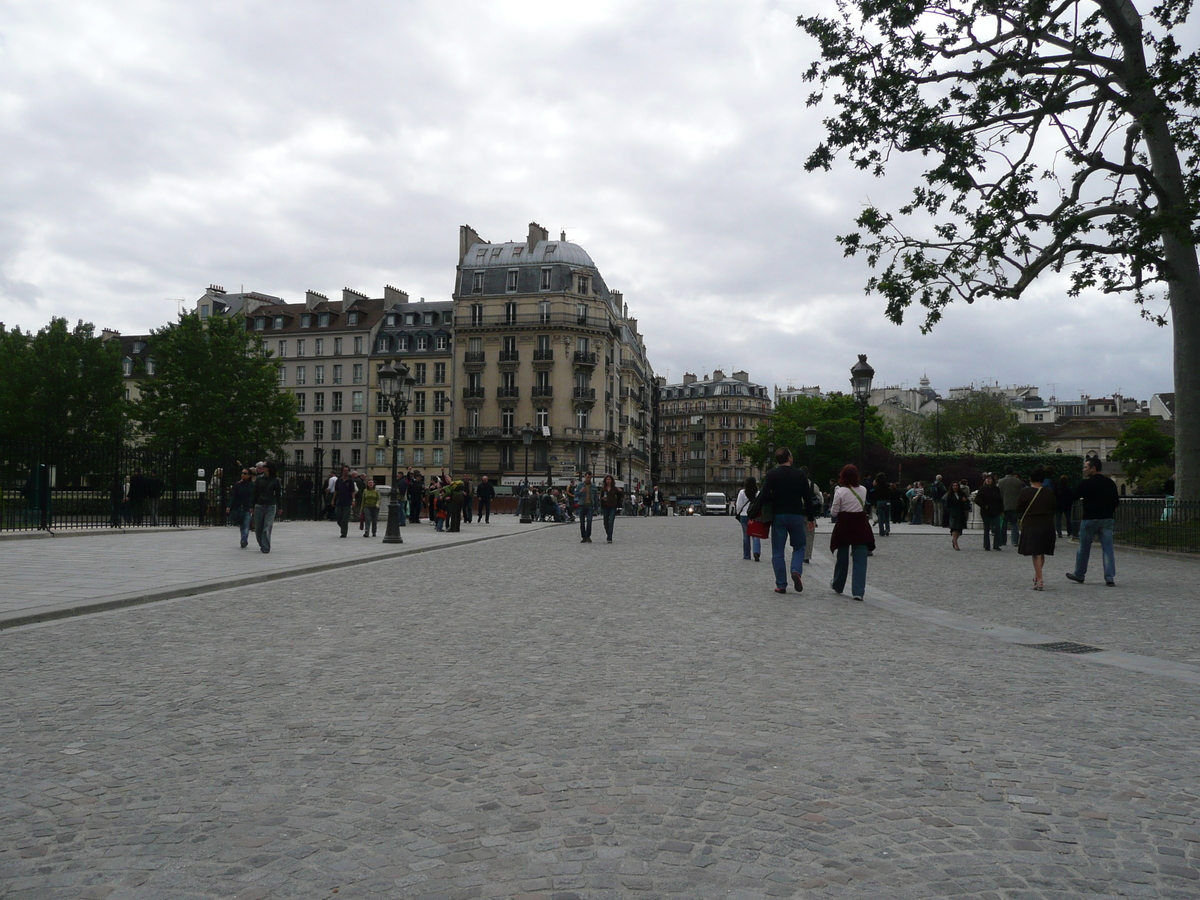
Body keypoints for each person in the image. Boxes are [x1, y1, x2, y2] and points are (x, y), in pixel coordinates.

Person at [758, 447, 816, 594]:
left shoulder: (771, 475)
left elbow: (764, 496)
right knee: (799, 547)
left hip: (779, 515)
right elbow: (808, 498)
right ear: (789, 458)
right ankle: (796, 570)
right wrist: (810, 518)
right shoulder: (800, 474)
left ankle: (781, 584)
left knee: (778, 552)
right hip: (796, 515)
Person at [1066, 457, 1120, 586]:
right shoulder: (1110, 483)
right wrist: (1109, 511)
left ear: (1093, 468)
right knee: (1108, 549)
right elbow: (1116, 501)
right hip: (1106, 518)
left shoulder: (1086, 483)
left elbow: (1074, 496)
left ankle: (1079, 574)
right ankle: (1109, 577)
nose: (1084, 470)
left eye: (1086, 467)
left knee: (1084, 548)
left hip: (1090, 517)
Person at [828, 464, 874, 601]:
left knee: (842, 558)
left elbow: (834, 512)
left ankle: (838, 584)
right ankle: (858, 591)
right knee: (860, 559)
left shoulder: (840, 491)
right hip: (860, 526)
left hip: (844, 526)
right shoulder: (863, 490)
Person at [1016, 465, 1057, 590]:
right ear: (1043, 480)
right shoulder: (1049, 492)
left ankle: (1039, 579)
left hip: (1032, 525)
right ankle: (1037, 574)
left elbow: (1019, 509)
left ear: (1030, 479)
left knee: (1035, 553)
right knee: (1042, 552)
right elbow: (1054, 507)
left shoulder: (1025, 492)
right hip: (1047, 525)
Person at [251, 461, 282, 553]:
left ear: (269, 468)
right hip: (259, 505)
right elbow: (254, 493)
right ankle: (262, 543)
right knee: (258, 528)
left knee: (267, 526)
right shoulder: (259, 479)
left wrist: (280, 507)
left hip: (270, 505)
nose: (262, 467)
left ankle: (265, 546)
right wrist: (251, 505)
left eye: (264, 466)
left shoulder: (276, 480)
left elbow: (278, 495)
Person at [974, 473, 1005, 551]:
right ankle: (986, 545)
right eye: (987, 479)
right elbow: (977, 500)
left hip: (995, 511)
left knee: (997, 527)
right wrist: (984, 505)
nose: (988, 480)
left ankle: (997, 544)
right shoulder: (982, 489)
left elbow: (1000, 500)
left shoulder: (996, 489)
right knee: (987, 528)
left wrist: (1001, 510)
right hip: (986, 511)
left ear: (993, 480)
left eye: (989, 479)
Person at [734, 476, 761, 562]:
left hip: (744, 515)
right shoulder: (758, 493)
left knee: (746, 535)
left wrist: (739, 512)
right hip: (755, 515)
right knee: (756, 535)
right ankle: (756, 552)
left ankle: (746, 555)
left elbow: (738, 505)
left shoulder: (742, 492)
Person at [227, 467, 255, 547]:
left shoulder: (252, 485)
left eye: (245, 473)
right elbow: (234, 496)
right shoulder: (238, 485)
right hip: (239, 507)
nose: (242, 475)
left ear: (249, 475)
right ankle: (243, 537)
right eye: (242, 473)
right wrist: (229, 506)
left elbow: (254, 497)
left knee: (246, 524)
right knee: (242, 524)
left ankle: (244, 539)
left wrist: (253, 506)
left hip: (248, 507)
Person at [997, 466, 1025, 548]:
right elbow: (1020, 494)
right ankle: (1015, 541)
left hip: (1004, 505)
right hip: (1015, 505)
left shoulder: (1001, 481)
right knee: (1014, 524)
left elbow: (999, 494)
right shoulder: (1018, 482)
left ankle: (1002, 541)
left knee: (1003, 524)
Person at [945, 479, 971, 550]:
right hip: (953, 513)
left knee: (959, 529)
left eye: (956, 485)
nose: (955, 487)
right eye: (954, 486)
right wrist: (950, 512)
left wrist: (965, 501)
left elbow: (967, 502)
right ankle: (955, 543)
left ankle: (954, 540)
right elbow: (946, 504)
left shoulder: (961, 494)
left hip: (961, 513)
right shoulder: (949, 495)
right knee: (954, 528)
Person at [334, 465, 357, 538]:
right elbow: (336, 491)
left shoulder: (350, 481)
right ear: (342, 471)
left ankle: (344, 533)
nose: (346, 472)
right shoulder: (339, 480)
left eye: (347, 470)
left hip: (347, 502)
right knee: (338, 517)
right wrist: (333, 500)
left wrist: (353, 500)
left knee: (345, 518)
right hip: (339, 501)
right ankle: (343, 527)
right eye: (344, 470)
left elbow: (352, 491)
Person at [599, 474, 623, 543]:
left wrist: (620, 492)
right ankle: (608, 534)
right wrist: (602, 499)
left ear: (612, 480)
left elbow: (619, 497)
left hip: (613, 506)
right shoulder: (603, 489)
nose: (608, 481)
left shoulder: (615, 489)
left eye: (609, 479)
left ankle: (610, 538)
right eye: (607, 479)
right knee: (605, 522)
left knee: (611, 522)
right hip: (605, 506)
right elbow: (601, 497)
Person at [575, 472, 596, 542]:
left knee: (589, 521)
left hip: (590, 505)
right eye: (587, 477)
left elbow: (595, 497)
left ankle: (588, 536)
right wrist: (580, 491)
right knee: (582, 522)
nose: (589, 479)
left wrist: (596, 506)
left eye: (590, 477)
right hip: (582, 505)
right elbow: (575, 494)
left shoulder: (593, 486)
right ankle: (583, 537)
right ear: (585, 477)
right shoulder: (580, 485)